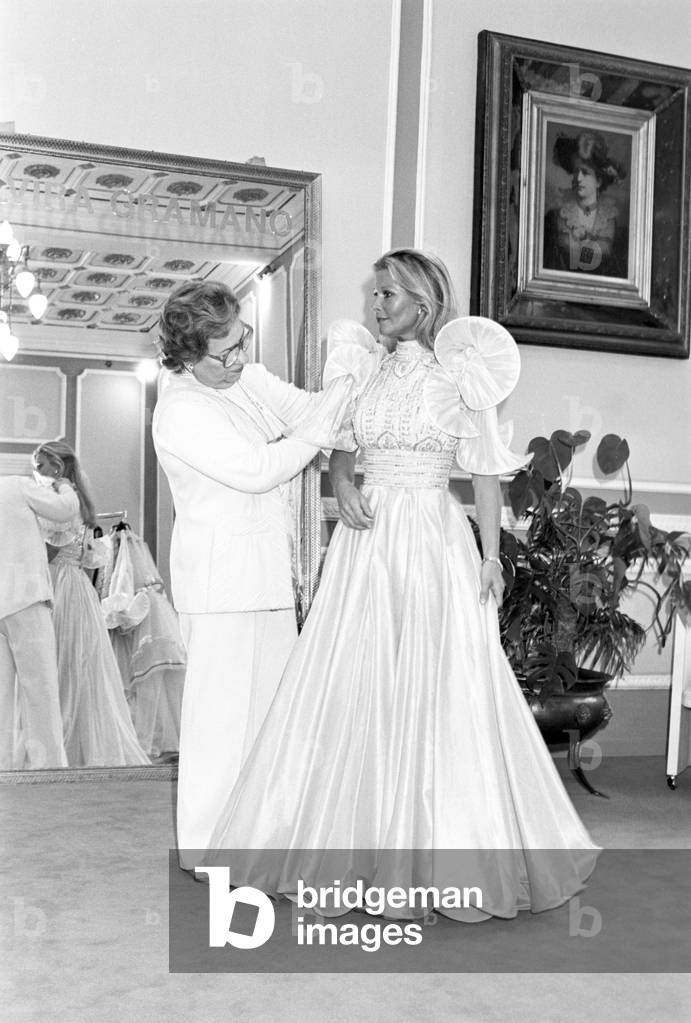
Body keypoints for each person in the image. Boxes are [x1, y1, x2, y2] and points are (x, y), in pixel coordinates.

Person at [202, 248, 600, 923]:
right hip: (367, 545)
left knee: (436, 681)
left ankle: (439, 848)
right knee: (351, 680)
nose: (375, 304)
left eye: (386, 293)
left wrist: (489, 556)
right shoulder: (364, 370)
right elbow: (341, 445)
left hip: (431, 541)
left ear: (421, 302)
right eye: (375, 293)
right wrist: (341, 484)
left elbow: (480, 474)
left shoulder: (458, 379)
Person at [152, 279, 350, 868]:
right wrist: (319, 428)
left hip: (267, 577)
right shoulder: (180, 409)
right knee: (218, 730)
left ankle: (262, 845)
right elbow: (261, 469)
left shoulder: (246, 376)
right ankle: (208, 856)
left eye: (243, 341)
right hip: (217, 590)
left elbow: (309, 411)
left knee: (270, 719)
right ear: (187, 355)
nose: (240, 358)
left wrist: (343, 384)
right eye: (225, 351)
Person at [32, 440, 150, 768]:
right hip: (75, 585)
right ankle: (68, 745)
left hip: (60, 584)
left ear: (57, 466)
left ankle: (59, 748)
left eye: (40, 465)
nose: (36, 472)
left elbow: (50, 551)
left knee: (59, 664)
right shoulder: (78, 499)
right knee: (75, 665)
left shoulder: (60, 501)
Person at [0, 469, 78, 769]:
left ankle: (4, 769)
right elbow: (64, 511)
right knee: (40, 691)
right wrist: (65, 486)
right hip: (26, 598)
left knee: (2, 697)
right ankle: (50, 770)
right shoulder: (17, 485)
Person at [543, 130, 628, 277]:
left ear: (599, 181)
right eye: (576, 172)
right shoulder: (556, 217)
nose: (578, 179)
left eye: (585, 172)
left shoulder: (611, 222)